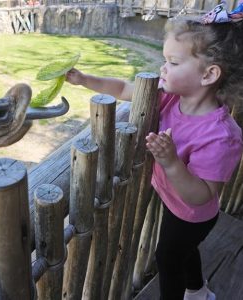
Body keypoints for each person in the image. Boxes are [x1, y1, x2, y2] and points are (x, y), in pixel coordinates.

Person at [65, 12, 243, 300]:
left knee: (168, 257)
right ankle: (199, 292)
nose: (163, 68)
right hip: (172, 202)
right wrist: (85, 79)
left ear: (209, 74)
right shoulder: (170, 96)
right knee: (185, 250)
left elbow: (202, 194)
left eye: (173, 63)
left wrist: (171, 162)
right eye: (165, 59)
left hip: (193, 214)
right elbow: (123, 88)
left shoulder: (221, 137)